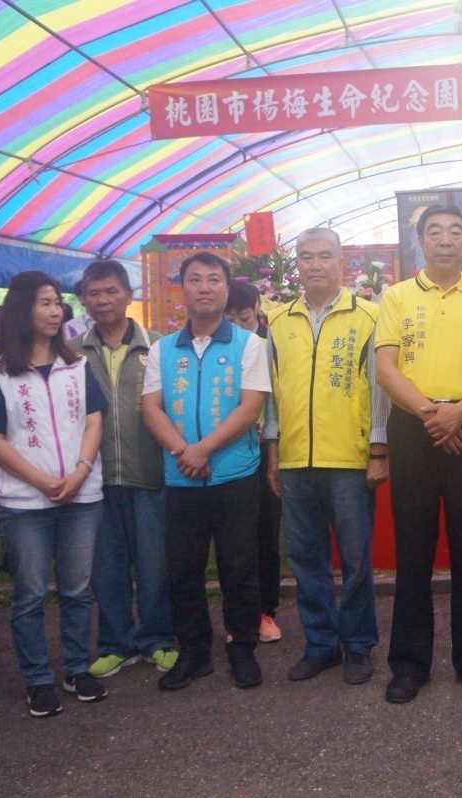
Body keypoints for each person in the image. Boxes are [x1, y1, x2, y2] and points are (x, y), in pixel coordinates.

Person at [375, 204, 462, 703]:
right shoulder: (396, 297)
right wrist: (434, 414)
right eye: (434, 231)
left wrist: (459, 413)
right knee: (412, 551)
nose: (446, 239)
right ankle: (409, 665)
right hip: (415, 429)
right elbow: (386, 368)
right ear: (420, 241)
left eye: (456, 231)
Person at [0, 270, 109, 717]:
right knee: (29, 594)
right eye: (45, 303)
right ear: (21, 310)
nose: (56, 311)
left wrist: (81, 470)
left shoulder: (77, 364)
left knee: (76, 589)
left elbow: (93, 421)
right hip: (25, 503)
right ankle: (36, 679)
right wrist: (41, 481)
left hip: (81, 496)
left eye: (57, 303)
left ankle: (75, 669)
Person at [264, 227, 390, 686]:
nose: (314, 264)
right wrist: (274, 450)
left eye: (324, 256)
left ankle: (358, 644)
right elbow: (273, 394)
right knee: (305, 556)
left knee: (356, 558)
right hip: (296, 459)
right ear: (296, 264)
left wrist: (378, 448)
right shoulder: (277, 321)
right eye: (305, 256)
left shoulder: (371, 316)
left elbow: (381, 388)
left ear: (343, 263)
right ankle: (320, 643)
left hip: (350, 458)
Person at [141, 252, 271, 691]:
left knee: (239, 565)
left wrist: (204, 450)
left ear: (226, 287)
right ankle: (194, 652)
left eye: (213, 279)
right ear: (183, 289)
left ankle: (241, 648)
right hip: (181, 477)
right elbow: (151, 408)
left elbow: (250, 405)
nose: (203, 287)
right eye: (194, 279)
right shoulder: (162, 349)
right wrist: (184, 451)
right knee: (183, 569)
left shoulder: (249, 345)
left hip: (234, 475)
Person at [74, 260, 178, 680]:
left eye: (111, 291)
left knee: (155, 565)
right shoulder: (72, 354)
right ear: (83, 299)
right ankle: (116, 643)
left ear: (128, 295)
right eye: (93, 293)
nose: (102, 300)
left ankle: (157, 639)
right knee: (107, 568)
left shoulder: (158, 348)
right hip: (96, 480)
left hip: (150, 474)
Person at [226, 280, 282, 644]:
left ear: (258, 309)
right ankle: (239, 616)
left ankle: (266, 611)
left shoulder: (269, 346)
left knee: (266, 533)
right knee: (234, 539)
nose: (237, 326)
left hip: (266, 450)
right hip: (228, 449)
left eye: (244, 318)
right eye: (229, 319)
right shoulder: (218, 350)